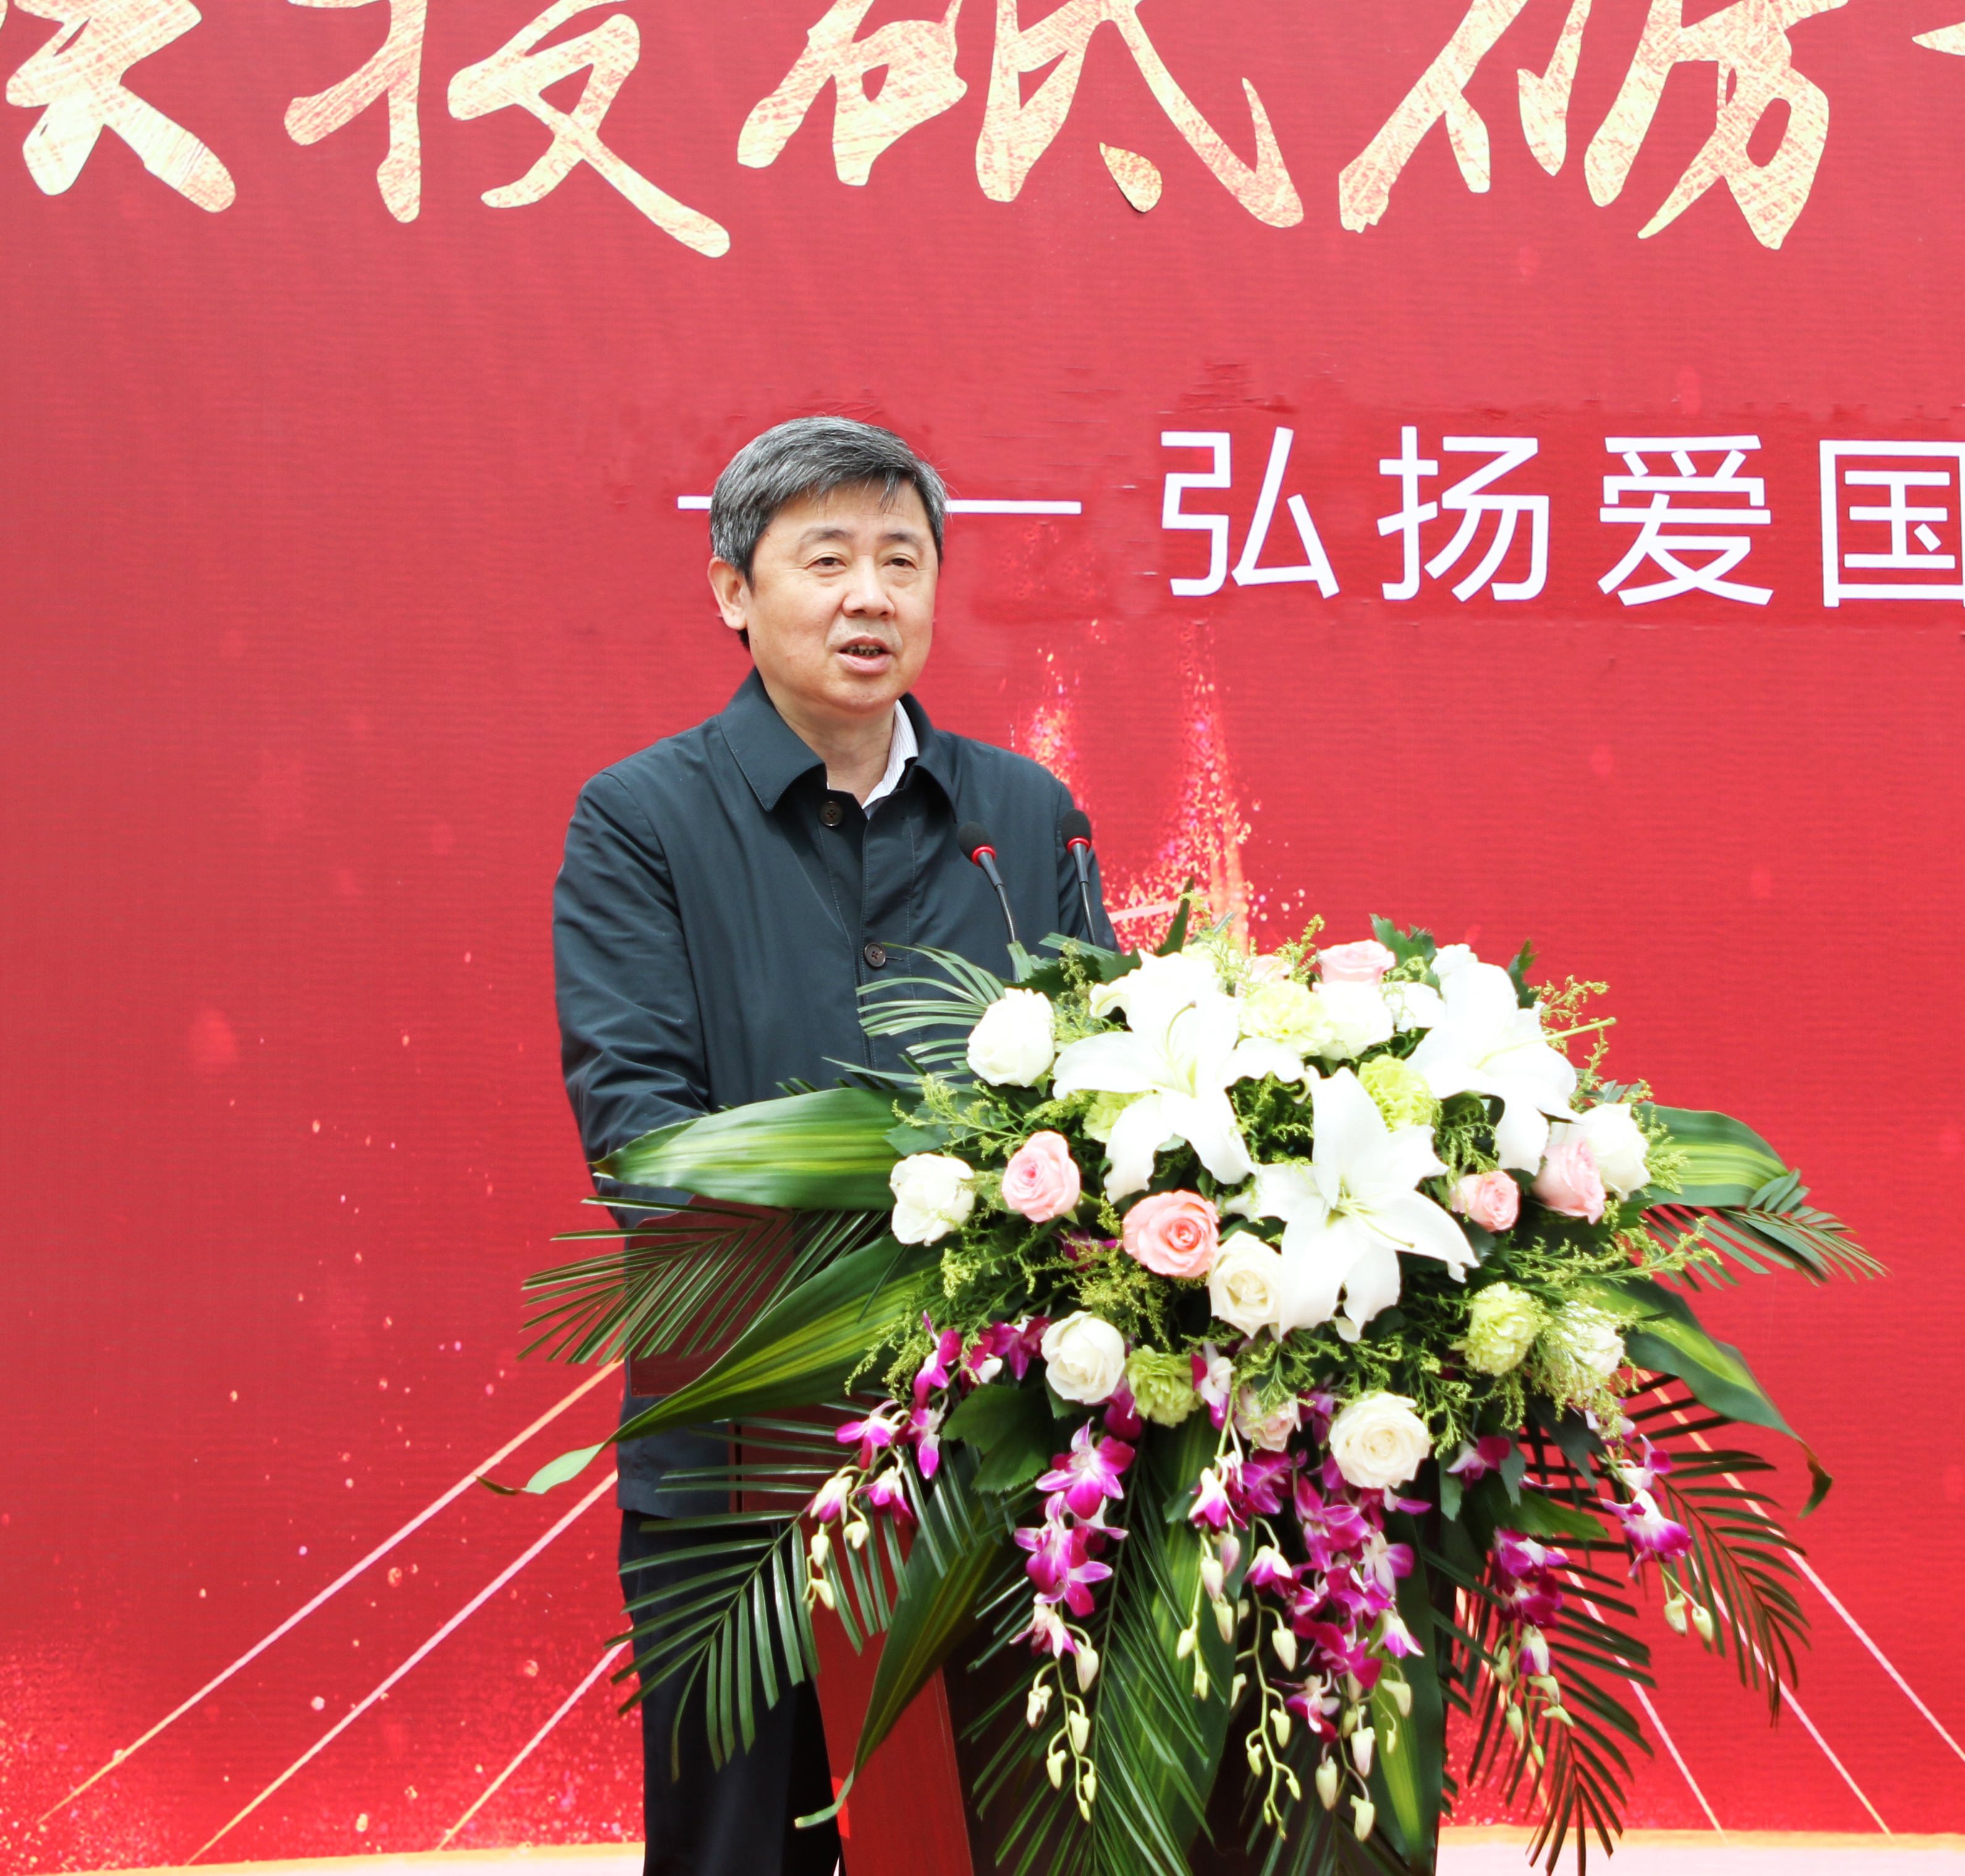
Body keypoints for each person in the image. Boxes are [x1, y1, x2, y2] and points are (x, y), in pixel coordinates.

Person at [552, 415, 1115, 1876]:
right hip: (742, 1466)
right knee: (743, 1850)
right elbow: (643, 1137)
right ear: (734, 592)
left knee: (995, 1843)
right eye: (826, 560)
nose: (870, 596)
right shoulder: (643, 821)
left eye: (901, 561)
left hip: (998, 1461)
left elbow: (1112, 1100)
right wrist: (900, 1219)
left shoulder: (1022, 818)